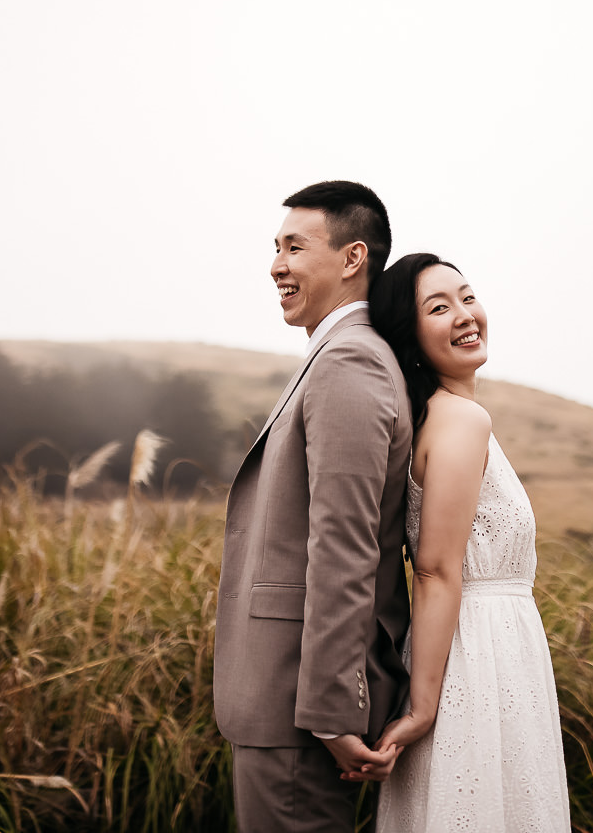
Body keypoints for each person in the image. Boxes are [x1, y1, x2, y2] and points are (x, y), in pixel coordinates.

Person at [214, 181, 415, 832]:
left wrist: (331, 712)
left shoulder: (350, 359)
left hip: (299, 707)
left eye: (294, 247)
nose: (276, 265)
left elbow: (345, 544)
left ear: (353, 258)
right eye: (275, 248)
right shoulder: (335, 354)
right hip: (284, 697)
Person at [367, 253, 572, 832]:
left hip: (491, 653)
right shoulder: (459, 420)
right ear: (410, 337)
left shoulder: (444, 416)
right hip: (475, 659)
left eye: (467, 296)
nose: (464, 314)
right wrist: (423, 708)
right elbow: (435, 570)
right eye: (438, 308)